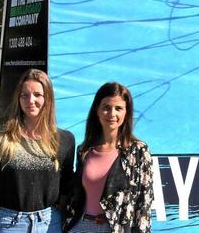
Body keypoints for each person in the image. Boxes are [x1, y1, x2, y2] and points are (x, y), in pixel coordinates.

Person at [0, 69, 75, 233]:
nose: (31, 100)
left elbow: (65, 192)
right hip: (9, 225)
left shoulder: (64, 140)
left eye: (38, 94)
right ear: (18, 98)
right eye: (25, 95)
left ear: (48, 98)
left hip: (50, 224)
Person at [65, 82, 153, 233]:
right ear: (97, 111)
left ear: (126, 113)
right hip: (81, 226)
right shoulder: (84, 150)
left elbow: (144, 203)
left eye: (118, 108)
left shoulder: (138, 151)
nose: (112, 114)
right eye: (106, 107)